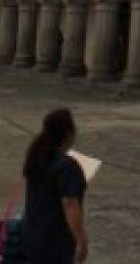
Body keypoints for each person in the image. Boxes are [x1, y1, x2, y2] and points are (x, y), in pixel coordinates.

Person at [21, 108, 88, 264]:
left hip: (32, 236)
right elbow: (70, 204)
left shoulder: (37, 157)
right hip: (55, 242)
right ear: (68, 133)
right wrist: (81, 239)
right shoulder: (67, 166)